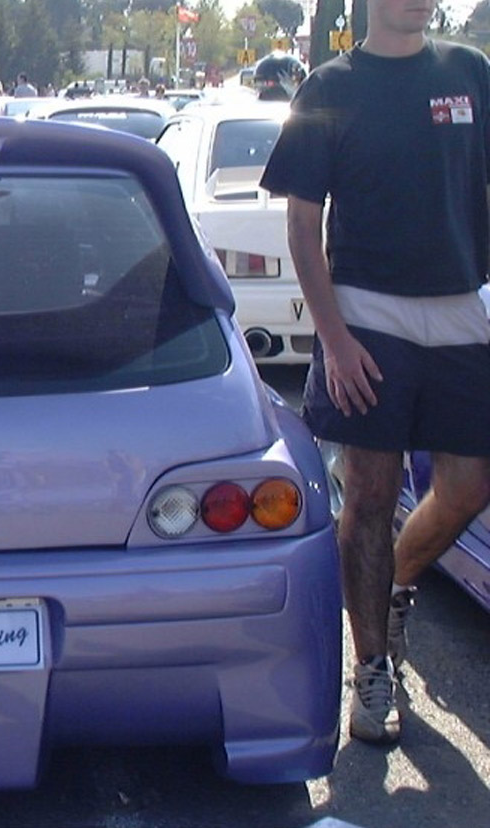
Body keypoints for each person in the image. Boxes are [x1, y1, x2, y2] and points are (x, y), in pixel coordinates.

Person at [260, 0, 490, 745]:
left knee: (467, 487)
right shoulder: (329, 87)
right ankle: (371, 671)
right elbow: (301, 225)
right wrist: (333, 337)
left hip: (460, 306)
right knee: (370, 489)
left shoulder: (470, 73)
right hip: (367, 313)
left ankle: (387, 587)